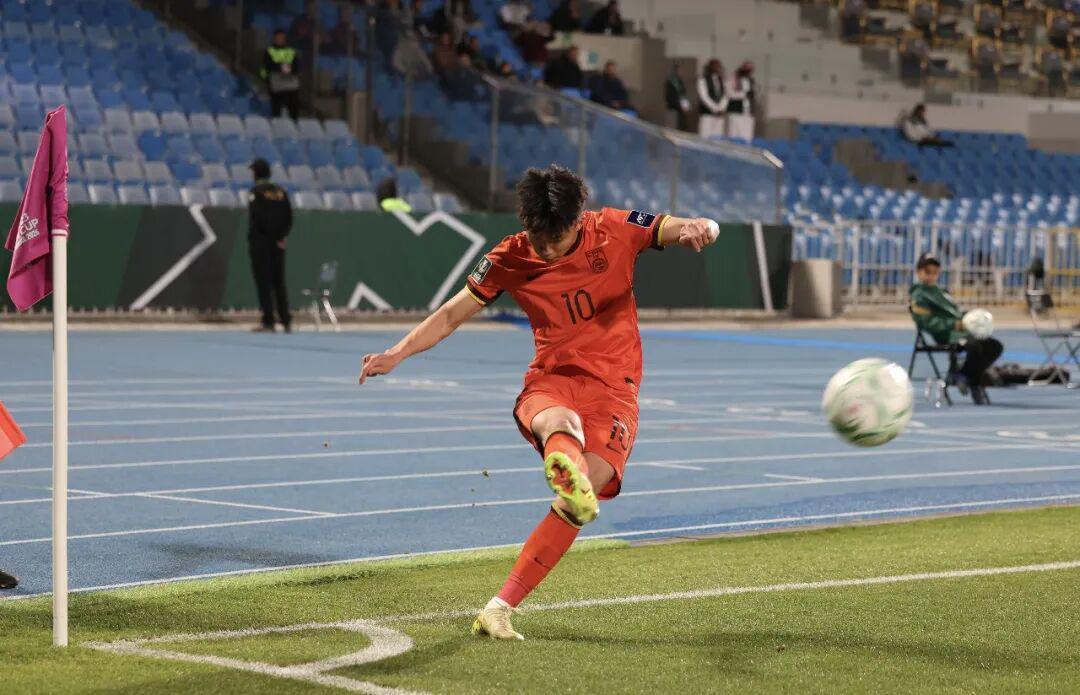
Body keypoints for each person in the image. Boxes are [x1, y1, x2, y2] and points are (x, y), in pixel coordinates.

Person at [358, 164, 719, 639]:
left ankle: (498, 608)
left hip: (615, 389)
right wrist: (396, 353)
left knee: (582, 496)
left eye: (556, 237)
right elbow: (449, 315)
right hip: (553, 380)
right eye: (538, 237)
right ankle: (563, 462)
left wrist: (699, 226)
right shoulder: (510, 256)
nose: (546, 248)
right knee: (561, 421)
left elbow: (675, 226)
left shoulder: (613, 228)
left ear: (579, 218)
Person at [910, 252, 1003, 405]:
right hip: (946, 335)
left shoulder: (941, 292)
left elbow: (956, 313)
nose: (931, 276)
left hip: (961, 332)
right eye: (927, 271)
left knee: (994, 346)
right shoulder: (919, 295)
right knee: (975, 345)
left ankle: (964, 375)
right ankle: (970, 380)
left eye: (935, 272)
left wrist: (972, 318)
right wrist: (953, 324)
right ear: (919, 272)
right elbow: (926, 322)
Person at [248, 158, 292, 333]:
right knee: (278, 281)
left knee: (264, 282)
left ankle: (268, 320)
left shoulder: (256, 192)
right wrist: (281, 236)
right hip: (278, 243)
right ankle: (285, 319)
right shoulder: (280, 192)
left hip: (261, 244)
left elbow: (257, 218)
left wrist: (260, 239)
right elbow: (289, 216)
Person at [262, 29, 301, 119]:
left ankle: (295, 125)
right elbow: (267, 67)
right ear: (274, 39)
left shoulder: (291, 51)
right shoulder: (269, 51)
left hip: (291, 86)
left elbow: (296, 67)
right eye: (278, 38)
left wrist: (282, 67)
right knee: (276, 111)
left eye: (282, 38)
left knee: (294, 111)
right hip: (277, 86)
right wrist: (267, 80)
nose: (280, 39)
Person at [725, 61, 755, 142]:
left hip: (747, 113)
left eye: (750, 69)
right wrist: (744, 94)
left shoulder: (750, 80)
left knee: (747, 138)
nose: (748, 71)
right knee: (733, 137)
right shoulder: (733, 78)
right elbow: (729, 93)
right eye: (747, 68)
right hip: (735, 111)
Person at [696, 59, 726, 139]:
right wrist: (715, 109)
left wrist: (721, 108)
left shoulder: (722, 80)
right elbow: (704, 96)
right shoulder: (702, 79)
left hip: (719, 114)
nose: (717, 68)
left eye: (718, 66)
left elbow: (725, 95)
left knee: (717, 138)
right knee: (705, 137)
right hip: (707, 113)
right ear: (709, 67)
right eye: (715, 65)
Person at [664, 63, 691, 131]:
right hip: (673, 110)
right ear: (676, 71)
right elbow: (669, 97)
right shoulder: (670, 82)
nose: (682, 72)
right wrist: (680, 105)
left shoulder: (680, 82)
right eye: (680, 70)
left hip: (681, 111)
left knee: (681, 129)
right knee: (672, 130)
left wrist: (686, 106)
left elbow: (683, 96)